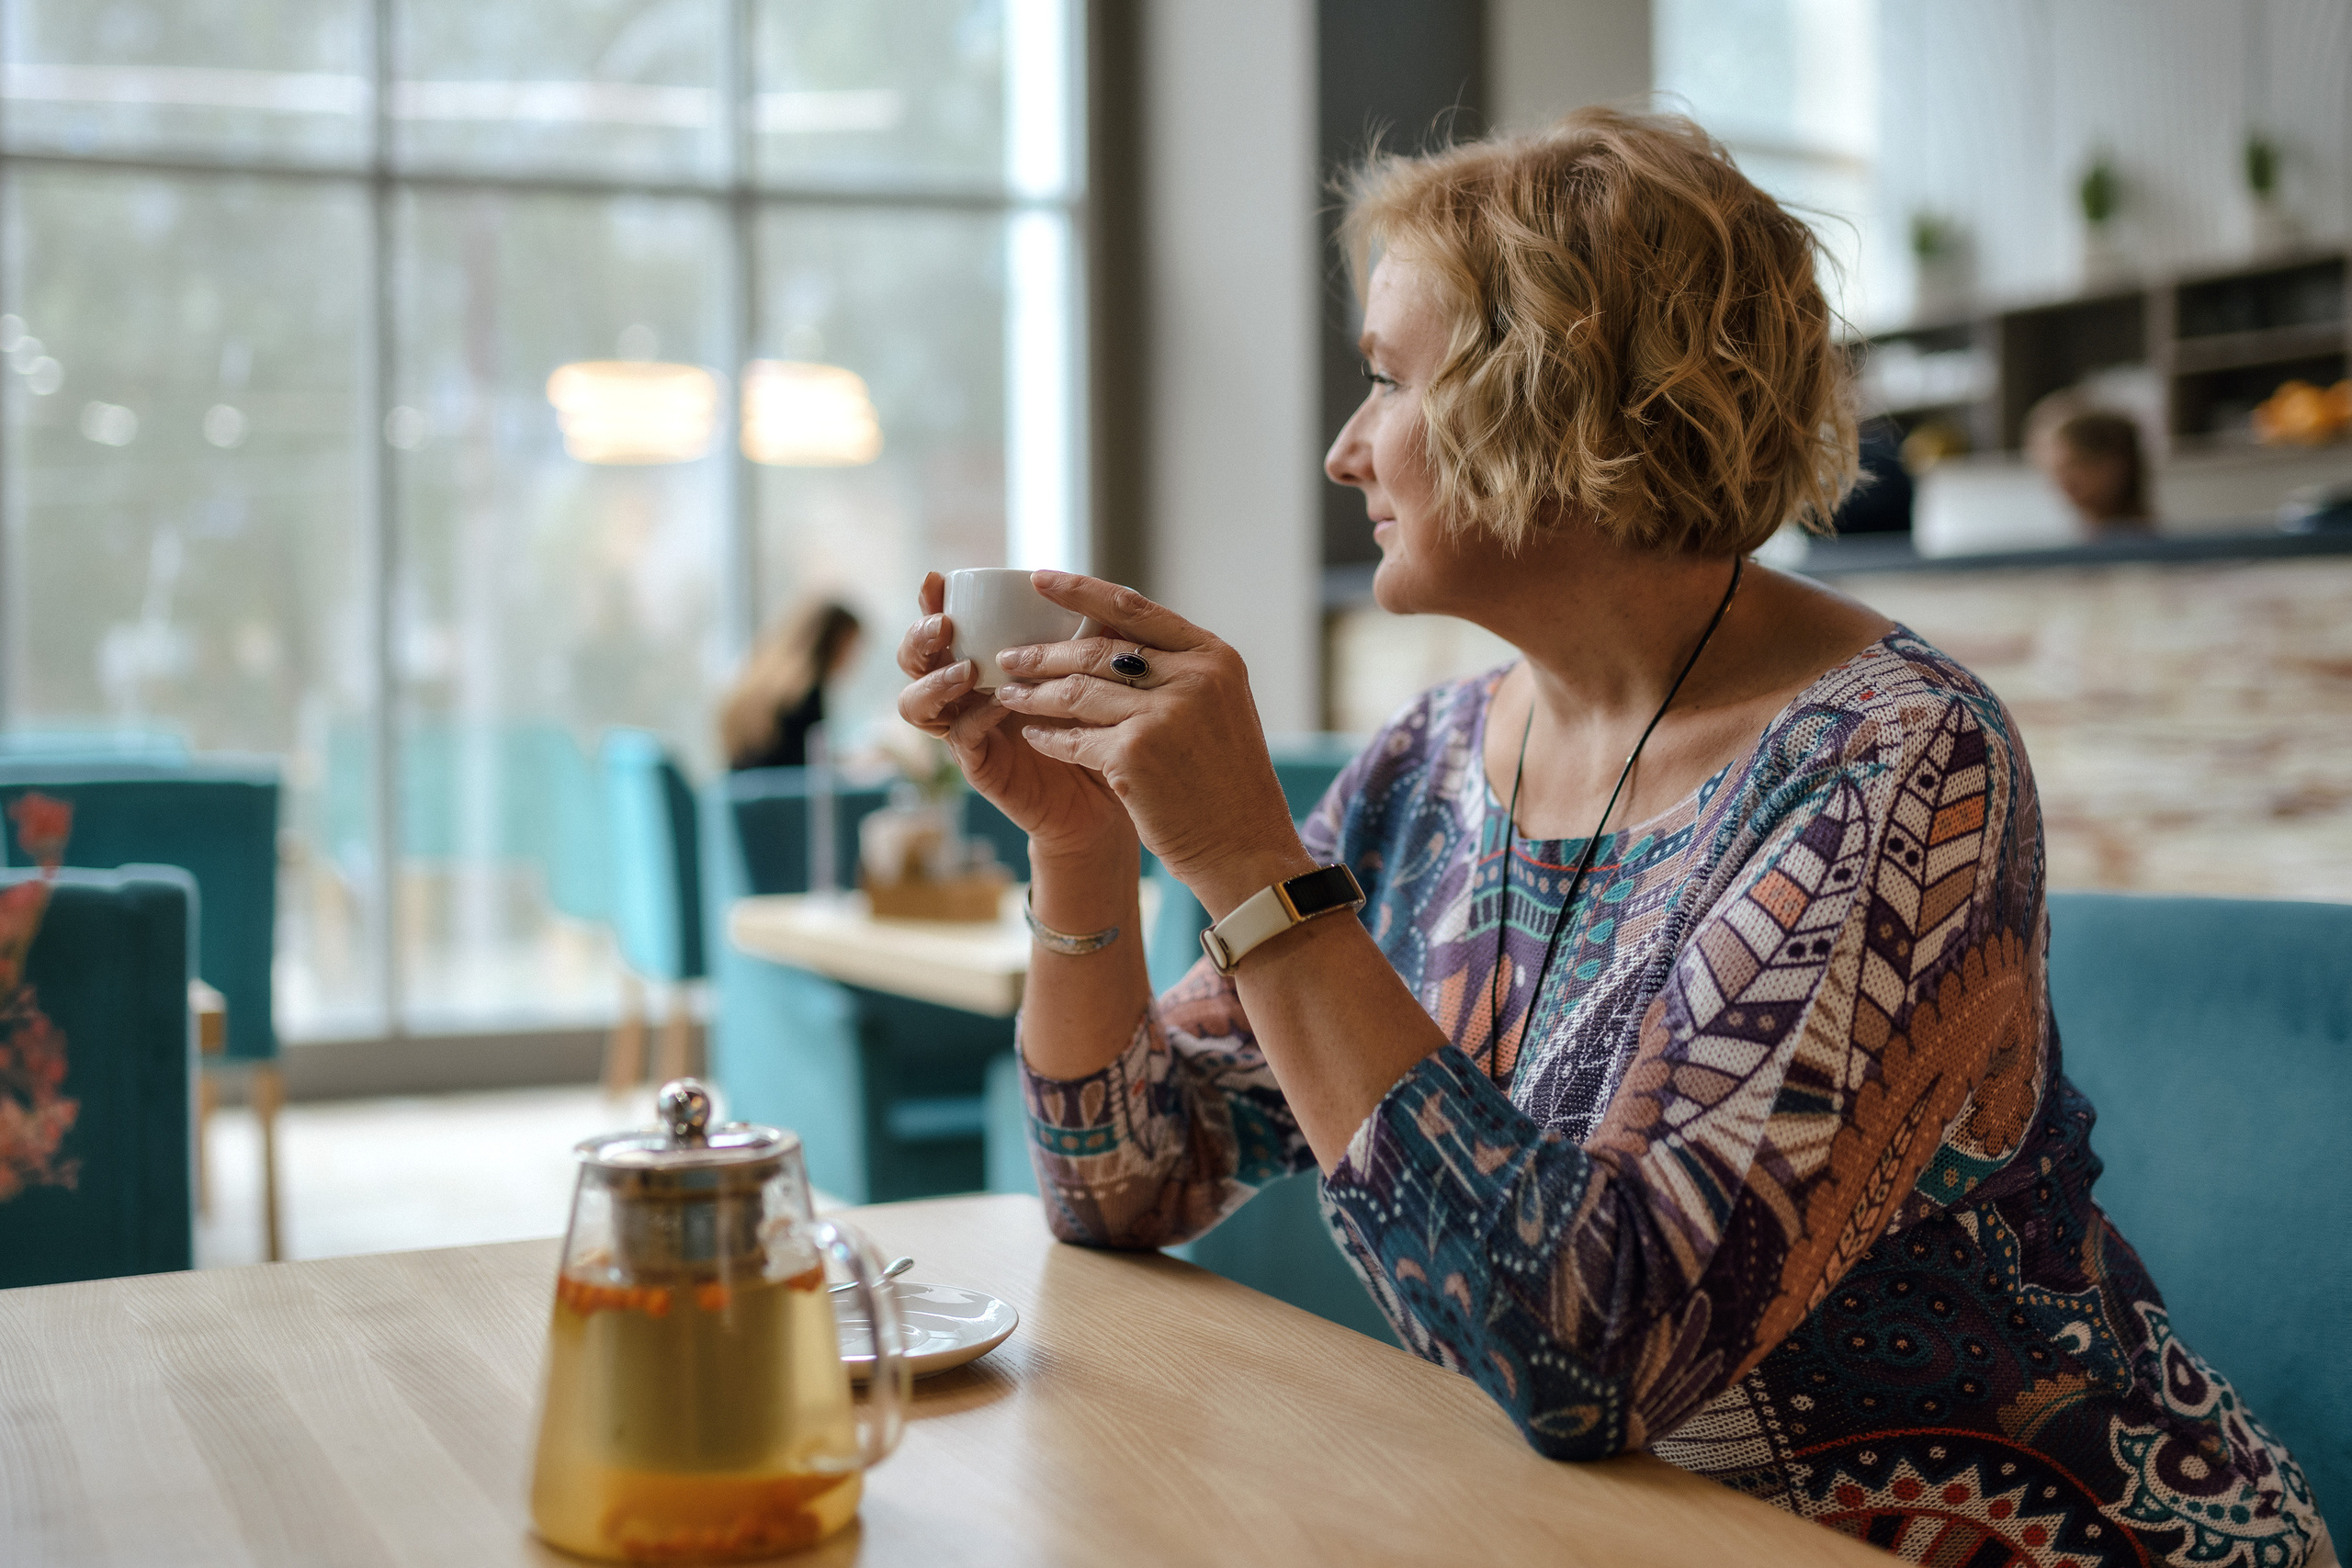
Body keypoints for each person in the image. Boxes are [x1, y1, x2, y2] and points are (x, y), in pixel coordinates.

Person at [897, 110, 2329, 1566]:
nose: (1343, 450)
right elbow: (1125, 1175)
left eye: (1389, 380)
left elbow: (1601, 1351)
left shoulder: (1892, 761)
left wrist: (1254, 871)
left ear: (1567, 401)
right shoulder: (1429, 762)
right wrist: (1081, 848)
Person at [719, 599, 863, 771]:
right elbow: (807, 767)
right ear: (831, 643)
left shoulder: (768, 688)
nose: (852, 659)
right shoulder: (808, 697)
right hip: (780, 795)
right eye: (850, 647)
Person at [2028, 396, 2154, 536]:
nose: (2064, 479)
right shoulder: (2078, 537)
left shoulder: (2143, 542)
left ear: (2115, 466)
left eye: (2078, 463)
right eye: (2058, 469)